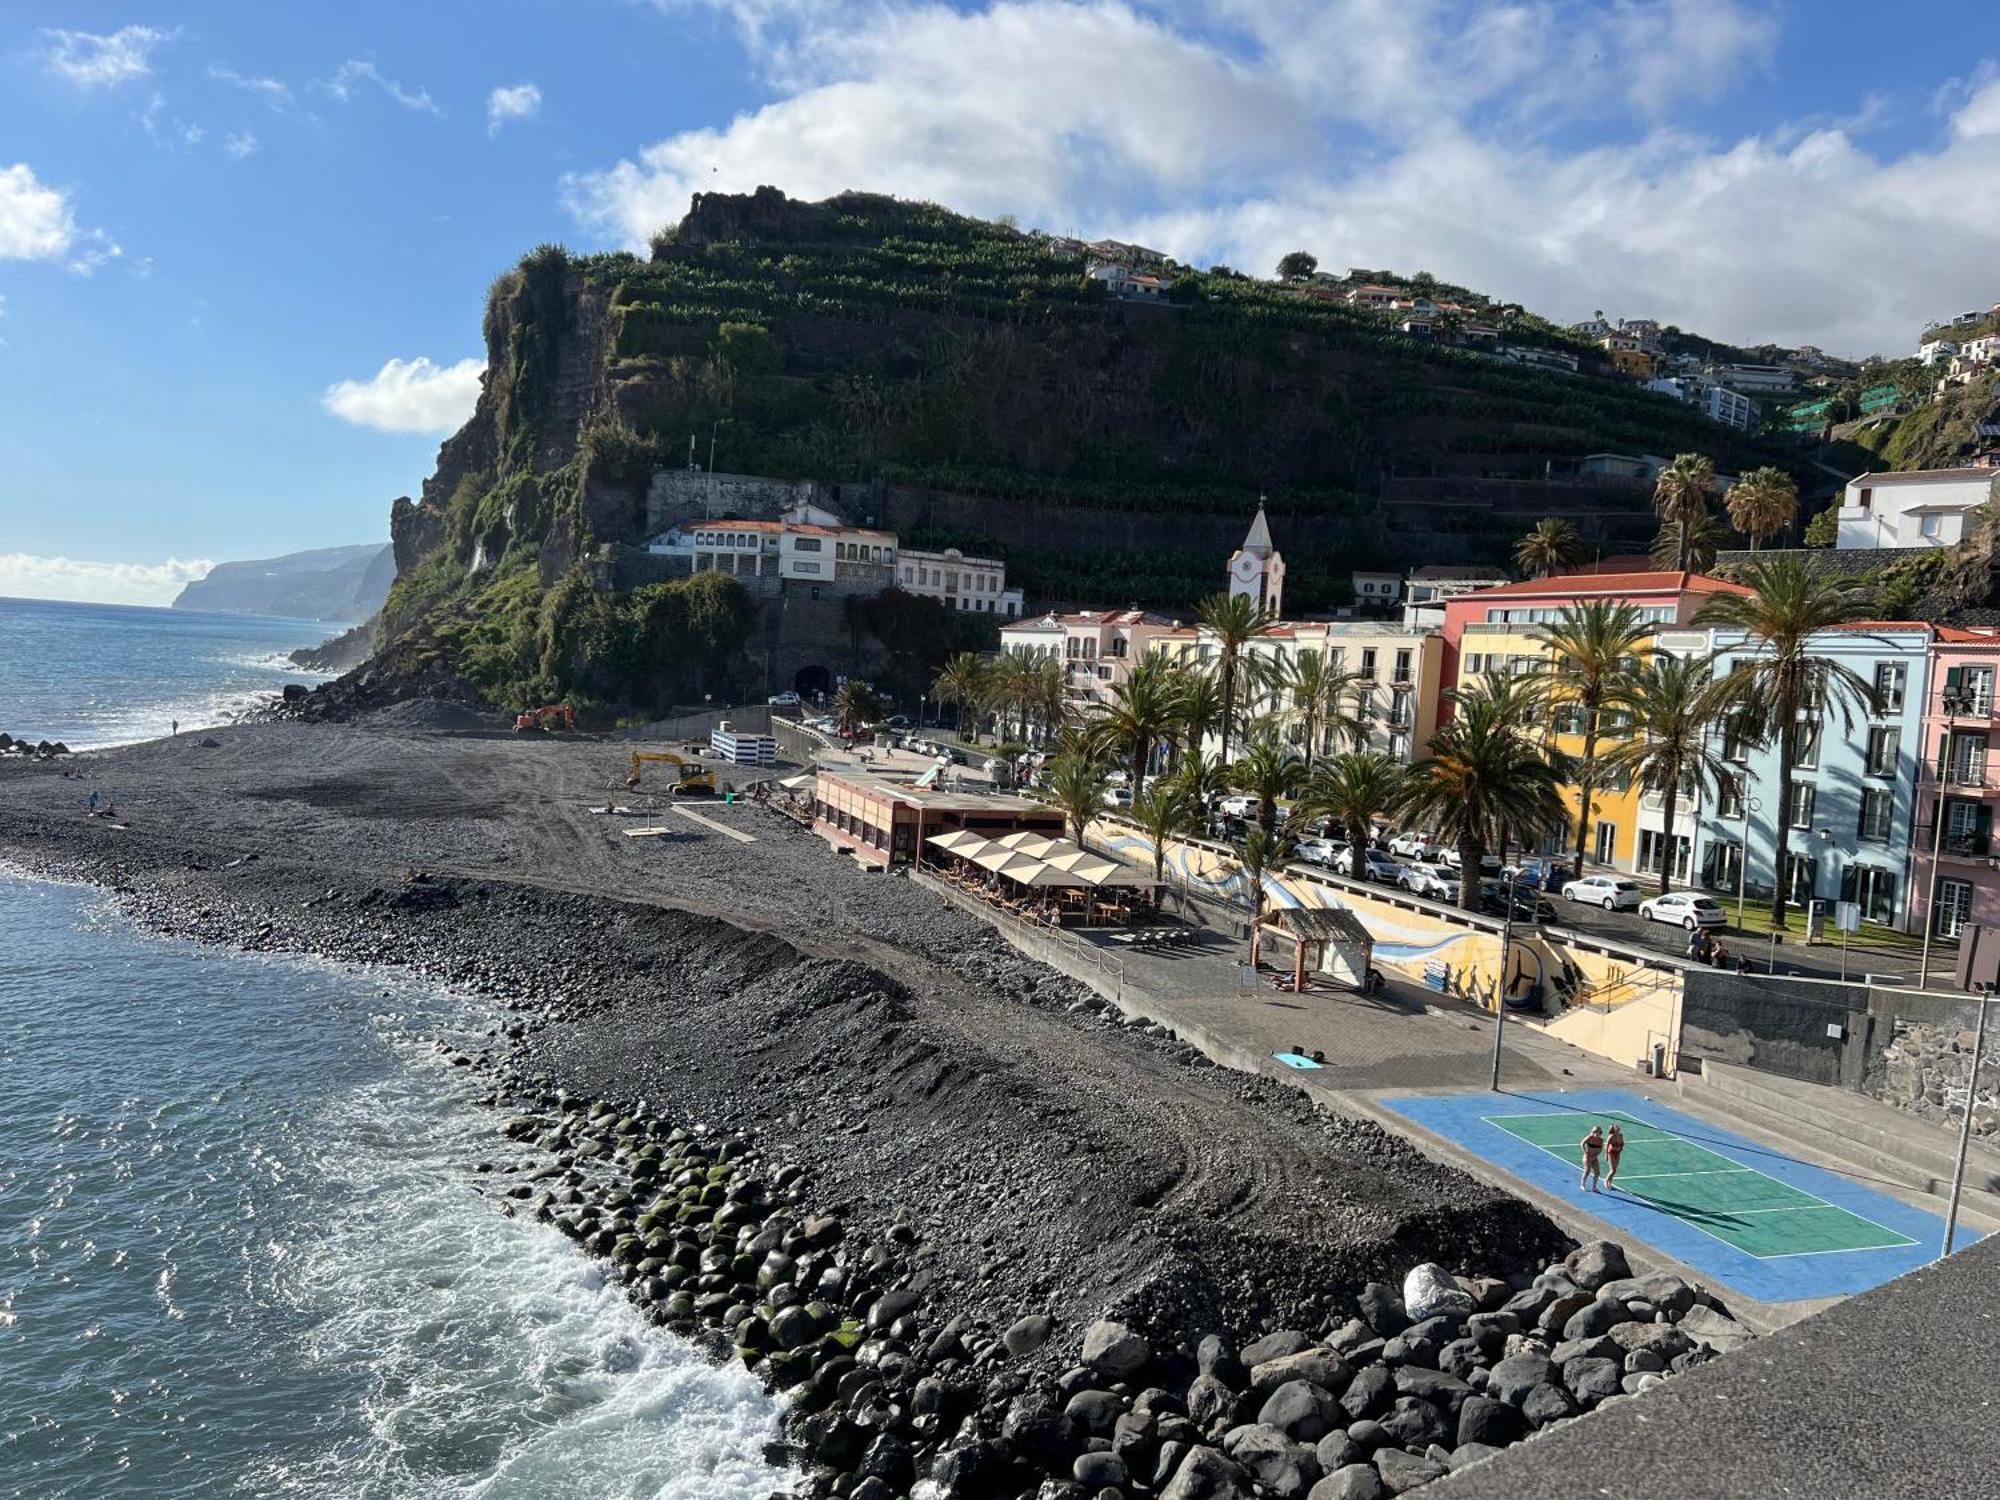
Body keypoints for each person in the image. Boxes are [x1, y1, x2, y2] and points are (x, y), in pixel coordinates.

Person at [1580, 1123, 1605, 1192]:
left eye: (1599, 1132)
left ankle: (1594, 1187)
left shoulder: (1601, 1140)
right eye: (1595, 1132)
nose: (1597, 1134)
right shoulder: (1589, 1137)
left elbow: (1601, 1149)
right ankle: (1582, 1185)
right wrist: (1585, 1152)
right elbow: (1582, 1144)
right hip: (1587, 1157)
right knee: (1587, 1171)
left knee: (1597, 1172)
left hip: (1594, 1158)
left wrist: (1596, 1154)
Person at [1604, 1123, 1626, 1189]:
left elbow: (1622, 1143)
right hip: (1611, 1153)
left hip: (1618, 1153)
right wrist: (1606, 1155)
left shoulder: (1621, 1135)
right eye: (1617, 1127)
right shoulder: (1611, 1136)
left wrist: (1621, 1147)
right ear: (1614, 1129)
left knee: (1614, 1170)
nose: (1619, 1128)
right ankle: (1606, 1180)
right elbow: (1606, 1145)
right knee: (1613, 1170)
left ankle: (1610, 1182)